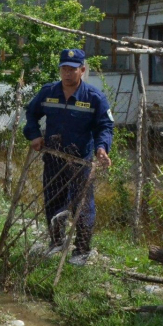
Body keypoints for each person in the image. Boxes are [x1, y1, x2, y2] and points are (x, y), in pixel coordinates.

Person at [23, 49, 114, 266]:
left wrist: (102, 148)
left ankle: (81, 250)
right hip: (54, 158)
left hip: (81, 161)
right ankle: (56, 243)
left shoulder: (94, 98)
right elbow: (31, 114)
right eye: (64, 68)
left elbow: (105, 126)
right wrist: (34, 135)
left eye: (72, 69)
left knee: (82, 206)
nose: (68, 73)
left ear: (82, 70)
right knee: (54, 200)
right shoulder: (48, 92)